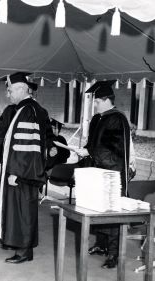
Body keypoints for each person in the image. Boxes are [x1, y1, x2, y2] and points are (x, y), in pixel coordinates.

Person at [0, 72, 54, 264]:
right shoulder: (27, 109)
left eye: (10, 90)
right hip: (22, 172)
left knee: (23, 211)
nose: (8, 94)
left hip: (22, 173)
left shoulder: (28, 111)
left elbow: (26, 147)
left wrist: (17, 174)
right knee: (20, 210)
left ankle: (24, 251)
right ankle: (20, 246)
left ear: (21, 89)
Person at [75, 80, 130, 269]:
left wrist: (90, 152)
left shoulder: (117, 119)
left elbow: (114, 149)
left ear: (106, 100)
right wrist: (85, 151)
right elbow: (95, 145)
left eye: (97, 101)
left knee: (112, 212)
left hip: (112, 173)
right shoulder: (99, 118)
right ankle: (101, 244)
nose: (95, 105)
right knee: (97, 208)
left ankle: (114, 255)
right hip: (98, 170)